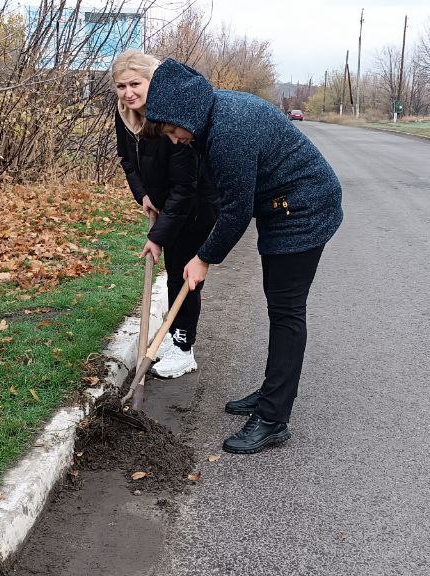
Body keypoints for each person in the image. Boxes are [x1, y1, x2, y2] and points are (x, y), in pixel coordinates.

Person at [144, 59, 343, 455]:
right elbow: (222, 197)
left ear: (186, 112)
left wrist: (203, 258)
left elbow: (236, 210)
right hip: (280, 206)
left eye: (172, 129)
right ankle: (272, 394)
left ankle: (273, 418)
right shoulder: (212, 116)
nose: (173, 139)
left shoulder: (230, 128)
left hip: (304, 210)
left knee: (286, 311)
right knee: (278, 308)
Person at [111, 50, 217, 379]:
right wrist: (142, 194)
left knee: (183, 274)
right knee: (173, 273)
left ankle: (183, 347)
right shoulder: (124, 114)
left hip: (195, 205)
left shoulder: (170, 115)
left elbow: (185, 187)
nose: (128, 92)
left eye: (135, 84)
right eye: (120, 86)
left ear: (151, 81)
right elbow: (127, 160)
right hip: (164, 202)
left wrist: (156, 237)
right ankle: (175, 339)